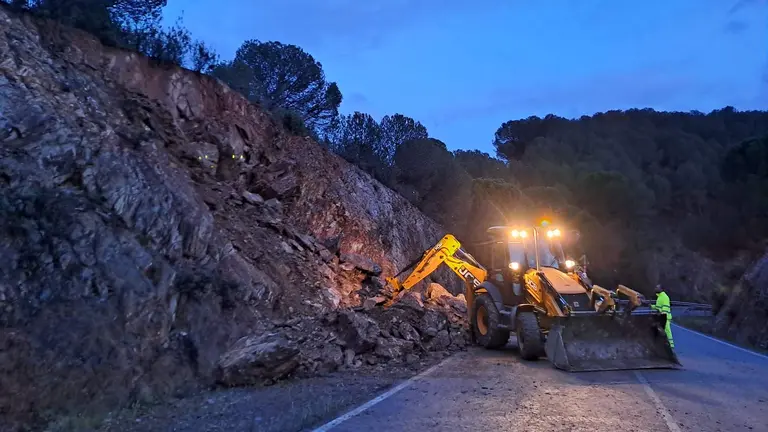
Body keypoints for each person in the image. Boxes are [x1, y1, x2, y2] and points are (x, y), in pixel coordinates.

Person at [651, 284, 674, 348]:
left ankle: (671, 346)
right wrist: (651, 306)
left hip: (665, 317)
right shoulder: (660, 297)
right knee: (661, 331)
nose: (655, 288)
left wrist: (662, 315)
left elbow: (665, 308)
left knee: (667, 330)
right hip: (661, 316)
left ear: (661, 289)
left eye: (657, 287)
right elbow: (658, 307)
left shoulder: (665, 297)